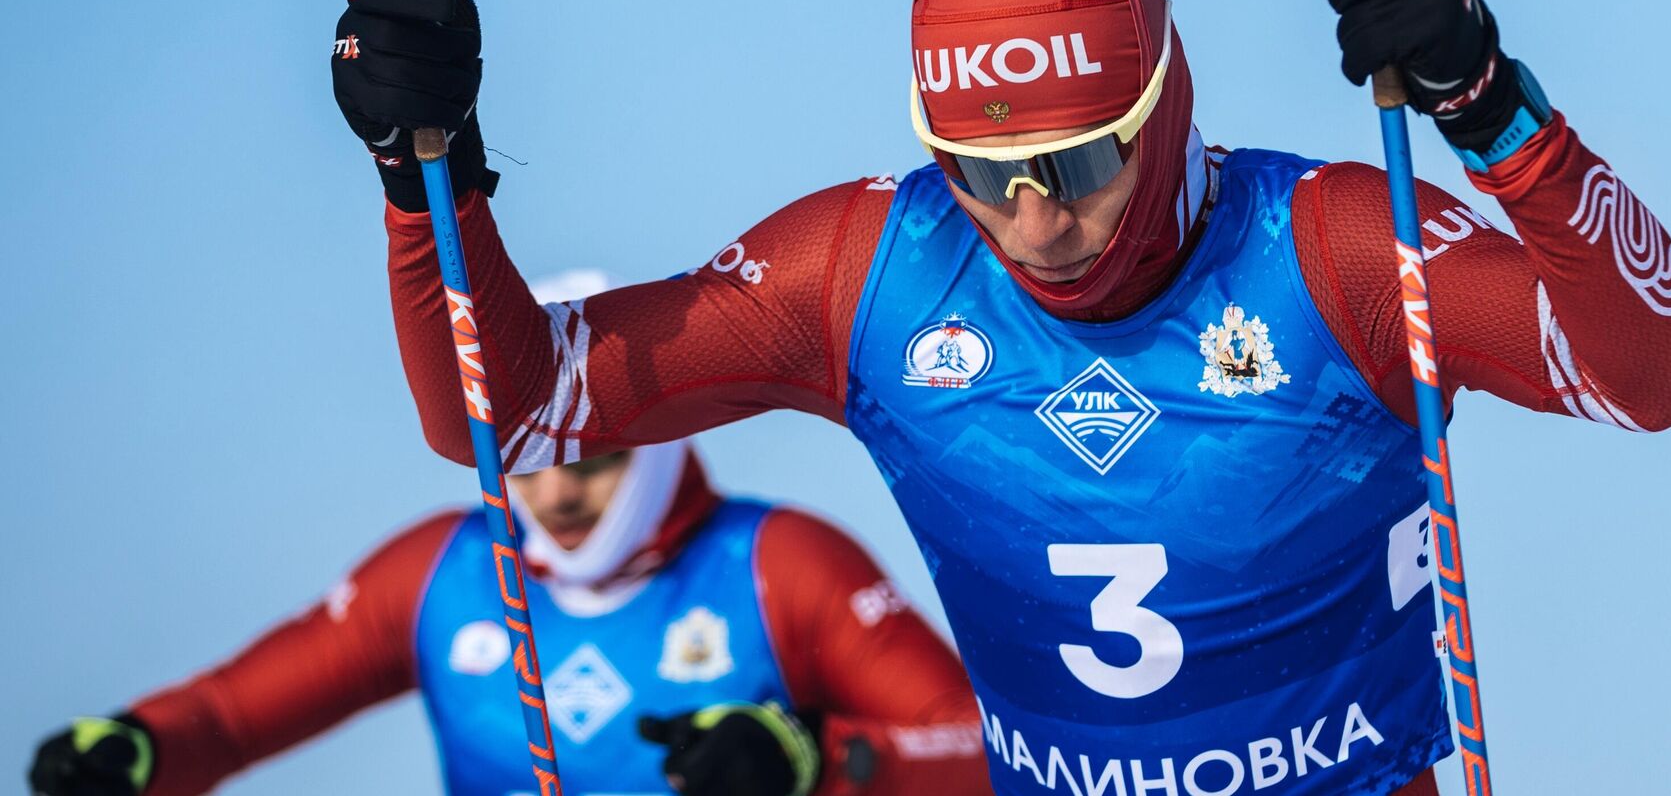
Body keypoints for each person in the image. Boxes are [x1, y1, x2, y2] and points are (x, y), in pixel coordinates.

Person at [326, 0, 1671, 795]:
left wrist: (1489, 107)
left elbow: (1669, 377)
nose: (1038, 215)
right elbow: (500, 420)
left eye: (1081, 162)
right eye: (984, 175)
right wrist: (425, 178)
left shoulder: (1334, 250)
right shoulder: (870, 272)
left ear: (1166, 109)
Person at [29, 444, 988, 795]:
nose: (562, 492)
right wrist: (136, 748)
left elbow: (990, 757)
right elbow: (232, 718)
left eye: (598, 457)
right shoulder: (444, 573)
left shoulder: (779, 561)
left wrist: (817, 759)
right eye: (529, 459)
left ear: (658, 438)